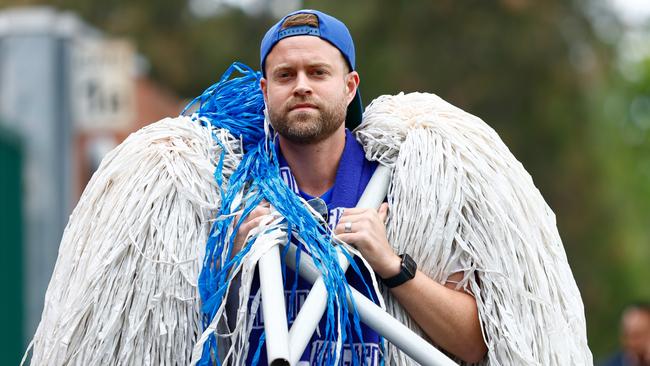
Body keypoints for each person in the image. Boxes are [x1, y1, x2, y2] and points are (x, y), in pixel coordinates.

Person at [232, 9, 487, 364]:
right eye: (285, 75)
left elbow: (473, 345)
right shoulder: (228, 190)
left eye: (318, 72)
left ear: (349, 86)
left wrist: (392, 265)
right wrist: (231, 269)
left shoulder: (411, 188)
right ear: (266, 90)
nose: (301, 85)